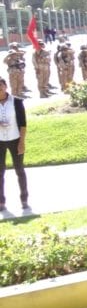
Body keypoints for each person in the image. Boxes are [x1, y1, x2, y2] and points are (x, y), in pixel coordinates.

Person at [0, 77, 29, 211]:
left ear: (6, 86)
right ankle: (1, 202)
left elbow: (23, 124)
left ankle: (24, 199)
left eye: (1, 85)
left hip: (15, 139)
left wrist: (21, 142)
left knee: (19, 170)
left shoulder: (16, 102)